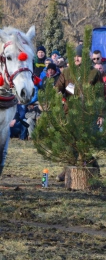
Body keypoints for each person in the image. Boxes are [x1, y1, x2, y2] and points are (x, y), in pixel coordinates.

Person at [54, 44, 103, 181]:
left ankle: (69, 172)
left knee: (82, 144)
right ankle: (92, 171)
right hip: (70, 112)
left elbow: (100, 95)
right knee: (73, 143)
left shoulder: (95, 73)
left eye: (79, 56)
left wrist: (100, 114)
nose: (76, 58)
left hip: (88, 114)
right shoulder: (67, 72)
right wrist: (55, 93)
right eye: (75, 55)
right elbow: (58, 87)